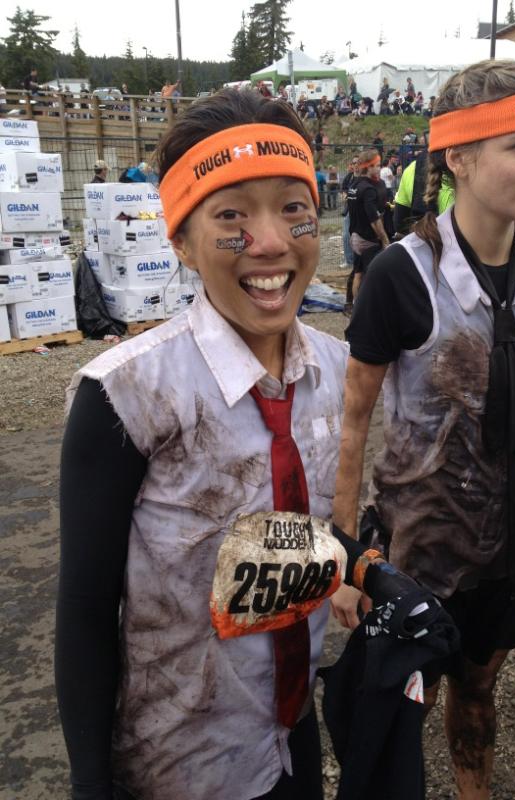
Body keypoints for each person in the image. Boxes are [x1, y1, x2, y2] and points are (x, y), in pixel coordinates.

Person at [56, 87, 450, 800]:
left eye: (293, 209)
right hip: (179, 761)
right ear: (180, 240)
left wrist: (368, 572)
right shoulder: (125, 395)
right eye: (231, 216)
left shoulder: (334, 370)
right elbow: (85, 605)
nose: (270, 242)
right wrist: (90, 784)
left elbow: (302, 525)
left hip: (290, 735)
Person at [331, 59, 515, 800]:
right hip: (418, 546)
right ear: (459, 156)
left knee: (479, 689)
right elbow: (353, 422)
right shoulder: (402, 274)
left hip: (509, 539)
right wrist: (347, 557)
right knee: (397, 706)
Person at [347, 149, 389, 301]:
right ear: (368, 167)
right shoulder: (368, 189)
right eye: (377, 165)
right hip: (367, 239)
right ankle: (366, 307)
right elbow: (374, 220)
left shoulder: (354, 184)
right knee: (372, 277)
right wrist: (385, 240)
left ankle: (355, 306)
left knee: (358, 274)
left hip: (355, 236)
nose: (379, 168)